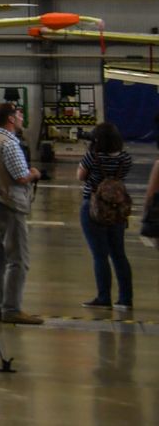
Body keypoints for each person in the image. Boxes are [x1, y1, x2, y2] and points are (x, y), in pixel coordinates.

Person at [0, 102, 42, 325]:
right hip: (9, 205)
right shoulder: (9, 144)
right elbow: (20, 176)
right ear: (10, 119)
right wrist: (34, 173)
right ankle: (12, 308)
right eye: (19, 115)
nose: (22, 118)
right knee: (18, 259)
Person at [78, 122, 134, 308]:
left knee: (99, 255)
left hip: (93, 206)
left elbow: (80, 175)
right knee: (119, 254)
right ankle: (126, 298)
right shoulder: (125, 159)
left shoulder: (93, 157)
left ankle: (104, 297)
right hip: (116, 208)